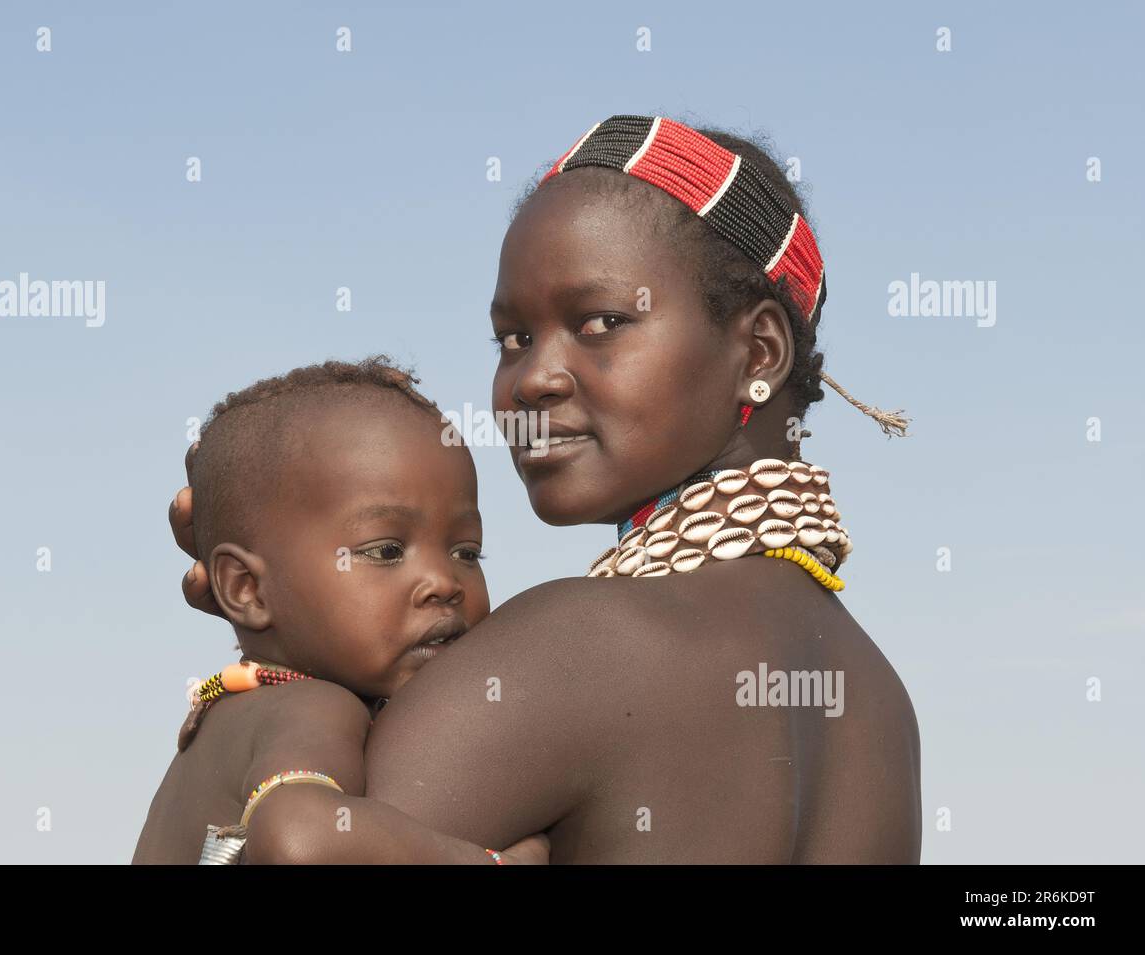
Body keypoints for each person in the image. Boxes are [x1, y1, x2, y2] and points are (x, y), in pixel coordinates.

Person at [168, 116, 922, 863]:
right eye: (514, 338)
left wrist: (255, 694)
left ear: (758, 348)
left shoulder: (578, 646)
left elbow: (293, 848)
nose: (533, 378)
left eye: (600, 321)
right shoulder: (879, 708)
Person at [134, 357, 548, 864]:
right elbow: (299, 839)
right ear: (246, 589)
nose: (444, 583)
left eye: (467, 552)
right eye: (386, 551)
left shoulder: (226, 721)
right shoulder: (314, 706)